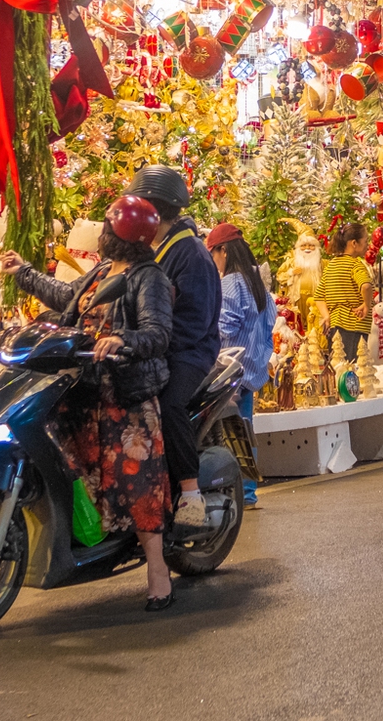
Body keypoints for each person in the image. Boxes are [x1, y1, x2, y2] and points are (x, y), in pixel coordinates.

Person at [3, 198, 177, 611]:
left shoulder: (146, 277)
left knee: (136, 480)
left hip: (124, 395)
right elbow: (69, 298)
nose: (102, 233)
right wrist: (24, 273)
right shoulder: (102, 271)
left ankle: (158, 570)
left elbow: (158, 332)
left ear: (123, 235)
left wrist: (123, 339)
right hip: (82, 388)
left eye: (108, 227)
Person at [128, 164, 222, 534]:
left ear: (155, 210)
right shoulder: (155, 250)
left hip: (189, 352)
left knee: (168, 404)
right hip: (157, 349)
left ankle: (190, 494)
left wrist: (154, 344)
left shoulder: (191, 253)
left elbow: (194, 321)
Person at [207, 223, 273, 508]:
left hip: (227, 370)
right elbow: (269, 326)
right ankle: (247, 493)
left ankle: (234, 492)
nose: (213, 260)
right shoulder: (257, 284)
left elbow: (224, 325)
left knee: (225, 433)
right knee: (243, 429)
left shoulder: (231, 283)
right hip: (250, 370)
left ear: (223, 250)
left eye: (213, 253)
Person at [320, 222, 376, 363]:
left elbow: (319, 296)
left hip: (334, 326)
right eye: (365, 241)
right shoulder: (355, 265)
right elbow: (366, 286)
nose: (367, 245)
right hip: (354, 326)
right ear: (354, 243)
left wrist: (326, 316)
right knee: (353, 369)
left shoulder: (331, 265)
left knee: (338, 369)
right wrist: (366, 305)